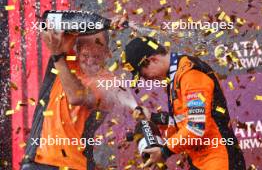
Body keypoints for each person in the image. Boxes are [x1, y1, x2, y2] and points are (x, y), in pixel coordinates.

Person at [21, 16, 130, 170]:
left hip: (73, 165)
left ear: (107, 54)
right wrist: (110, 22)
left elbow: (77, 97)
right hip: (36, 161)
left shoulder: (110, 82)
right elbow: (53, 26)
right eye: (86, 55)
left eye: (97, 56)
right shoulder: (67, 59)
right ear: (77, 51)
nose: (90, 61)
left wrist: (57, 56)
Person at [124, 36, 246, 170]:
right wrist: (153, 118)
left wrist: (164, 152)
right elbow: (184, 119)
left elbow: (196, 127)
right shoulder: (175, 76)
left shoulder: (189, 74)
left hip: (219, 161)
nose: (147, 79)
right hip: (201, 161)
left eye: (144, 75)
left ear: (152, 60)